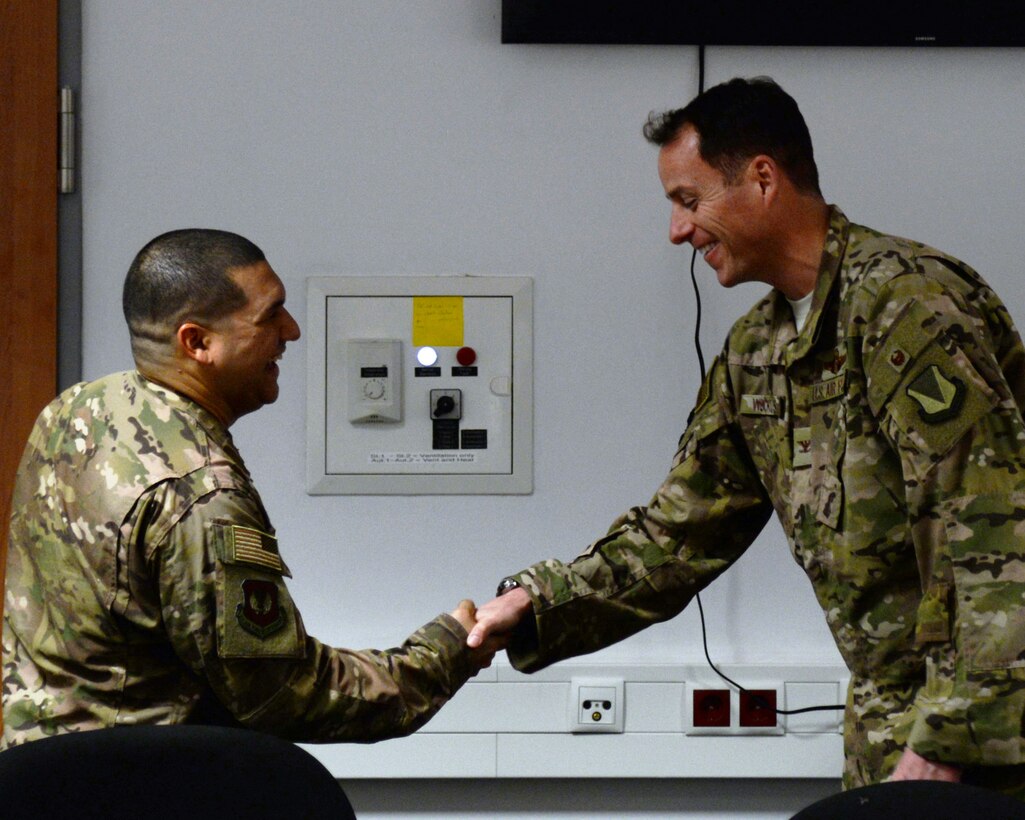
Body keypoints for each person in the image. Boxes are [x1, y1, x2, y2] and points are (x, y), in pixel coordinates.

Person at [468, 77, 1025, 796]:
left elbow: (992, 533)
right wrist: (535, 605)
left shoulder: (905, 307)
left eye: (687, 200)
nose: (676, 231)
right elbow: (678, 534)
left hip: (983, 744)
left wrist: (955, 734)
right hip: (891, 732)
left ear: (761, 179)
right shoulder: (755, 351)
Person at [2, 229, 501, 749]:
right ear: (198, 343)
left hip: (38, 773)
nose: (293, 331)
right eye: (271, 316)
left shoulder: (78, 408)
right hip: (137, 786)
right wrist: (447, 650)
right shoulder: (200, 495)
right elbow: (284, 696)